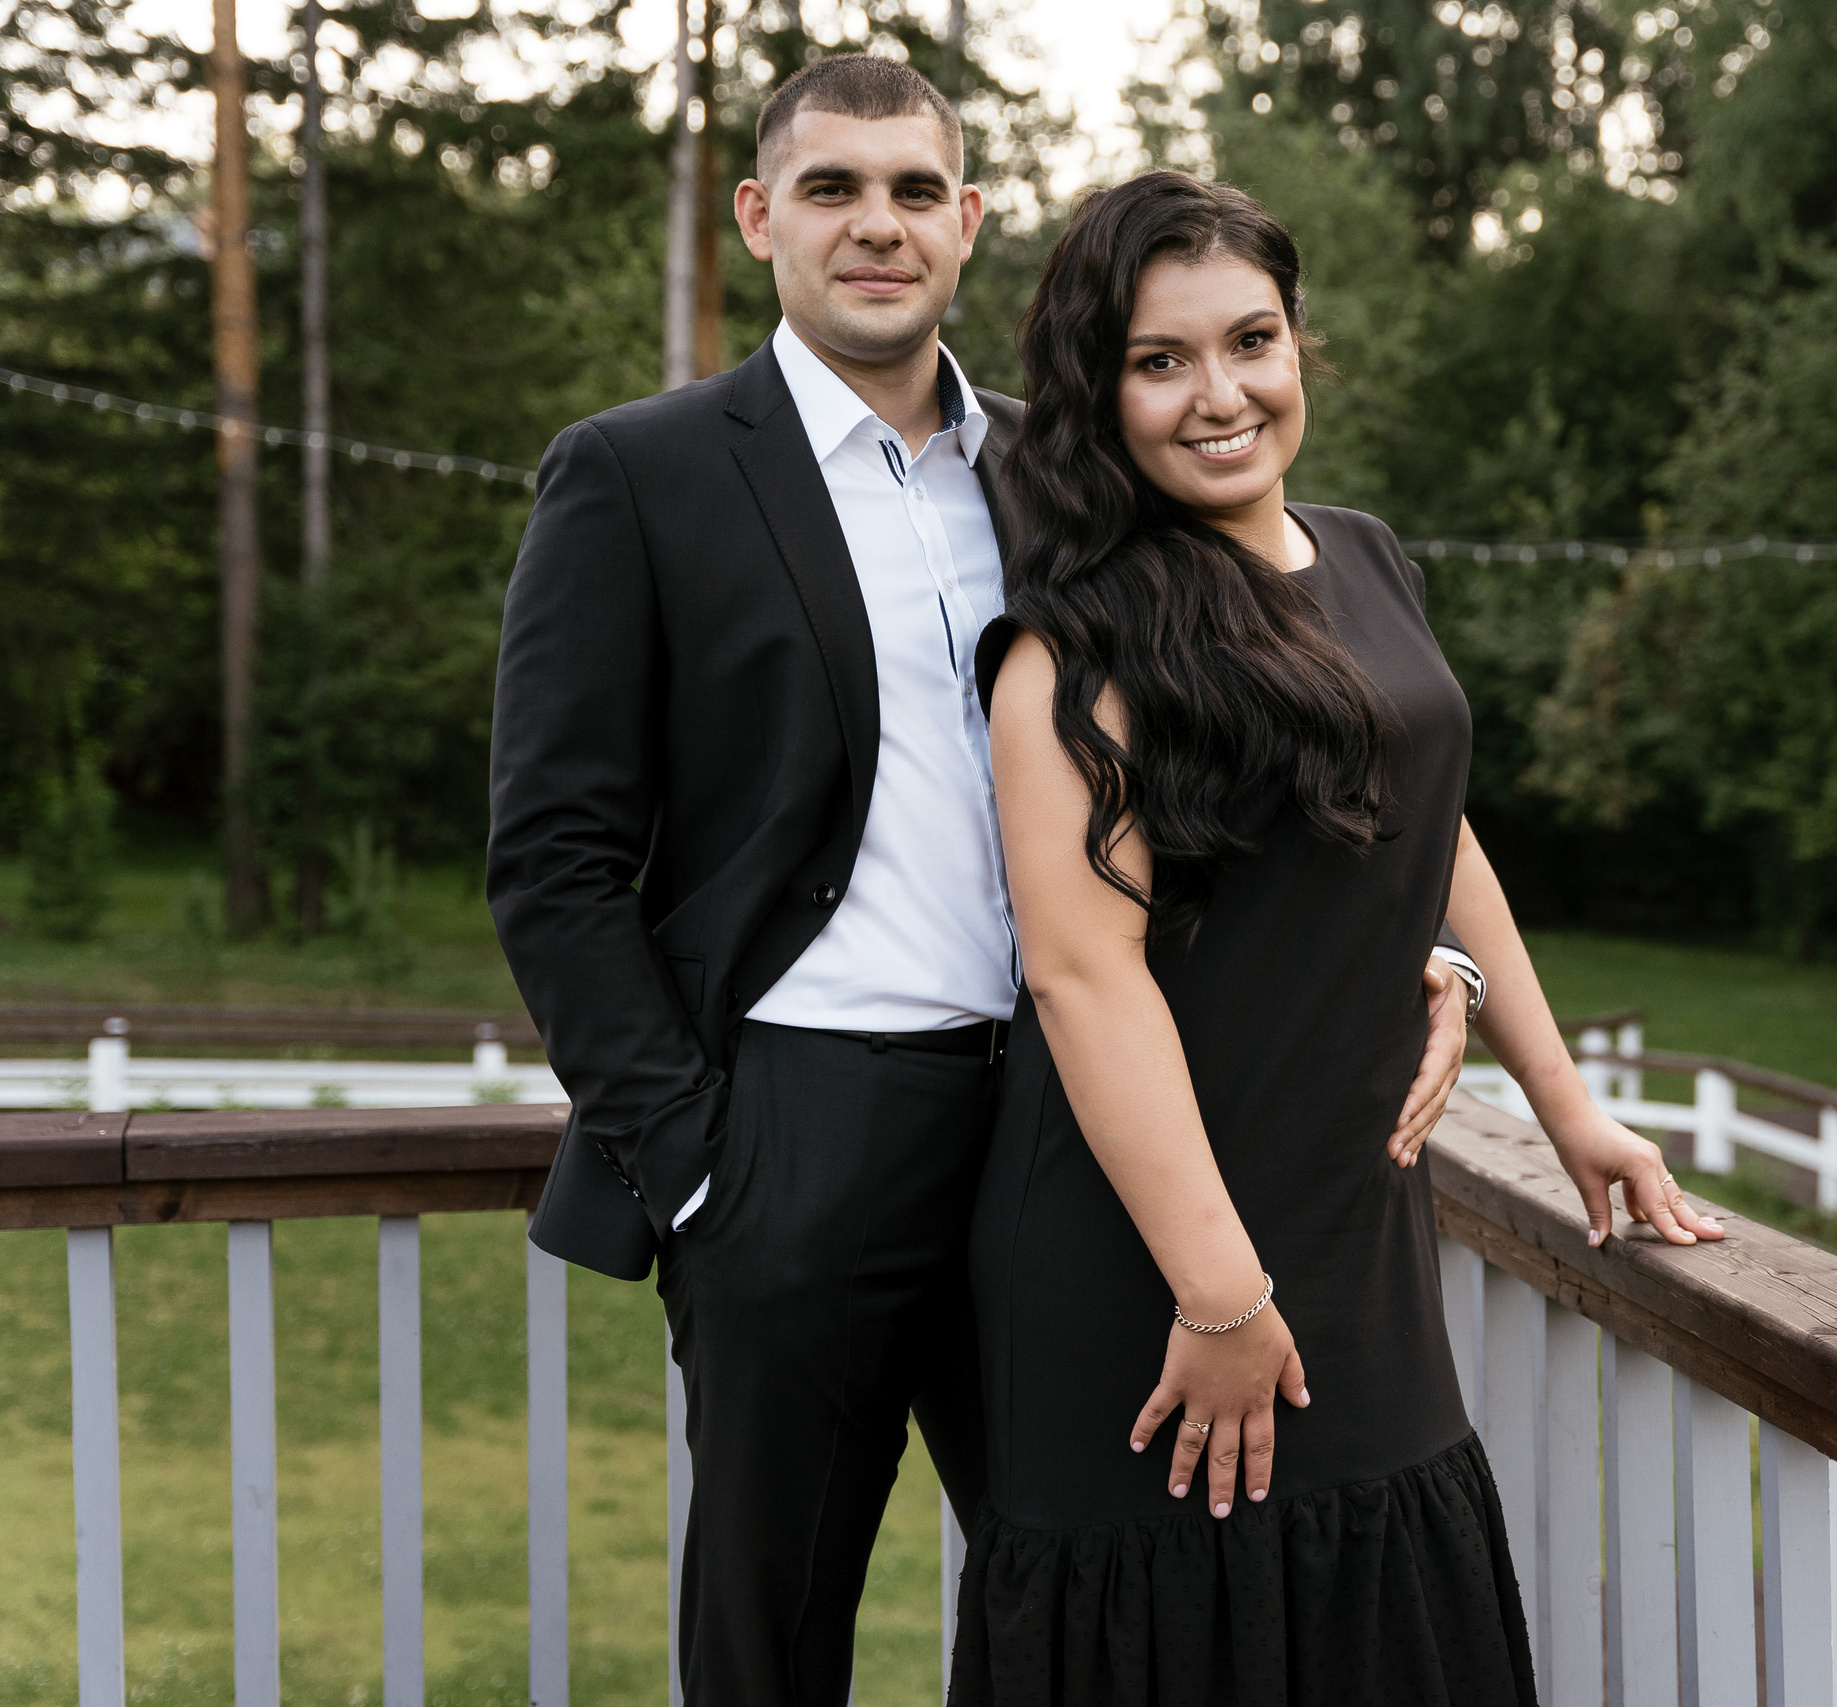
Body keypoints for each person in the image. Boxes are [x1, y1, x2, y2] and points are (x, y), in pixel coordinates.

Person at [485, 59, 1471, 1704]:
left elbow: (1286, 742)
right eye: (832, 188)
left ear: (970, 221)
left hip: (1070, 1151)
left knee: (1085, 1589)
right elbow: (554, 858)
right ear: (760, 219)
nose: (878, 224)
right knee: (773, 1625)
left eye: (915, 191)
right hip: (797, 1132)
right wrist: (698, 1166)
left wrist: (1420, 959)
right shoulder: (638, 473)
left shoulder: (1075, 474)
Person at [953, 172, 1725, 1706]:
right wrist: (1220, 1295)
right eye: (1159, 361)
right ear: (1097, 391)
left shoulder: (1366, 559)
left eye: (1253, 341)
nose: (1219, 395)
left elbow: (1432, 831)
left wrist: (1566, 1104)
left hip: (1358, 1228)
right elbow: (1085, 977)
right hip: (1145, 1257)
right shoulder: (1078, 639)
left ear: (1303, 344)